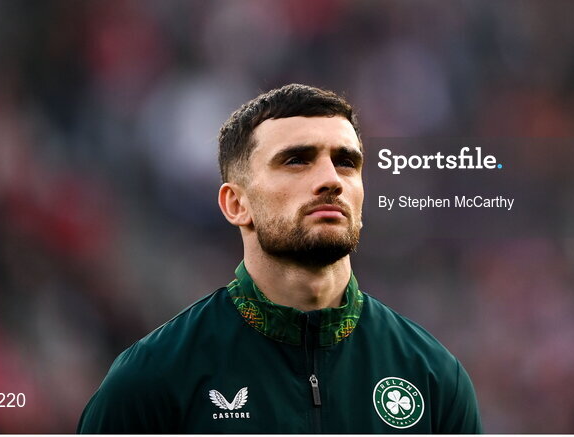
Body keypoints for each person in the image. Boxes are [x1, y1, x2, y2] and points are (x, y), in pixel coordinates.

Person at [78, 83, 482, 433]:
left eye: (346, 162)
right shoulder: (153, 378)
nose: (331, 180)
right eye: (297, 160)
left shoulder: (432, 377)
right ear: (236, 203)